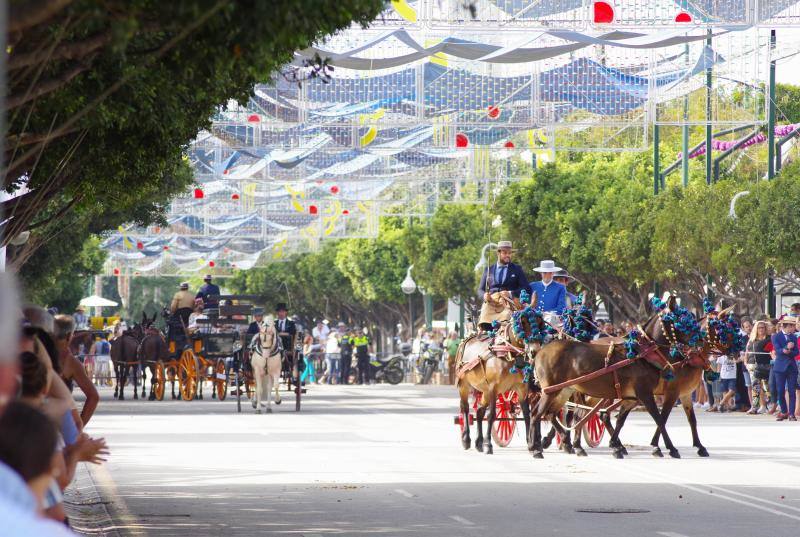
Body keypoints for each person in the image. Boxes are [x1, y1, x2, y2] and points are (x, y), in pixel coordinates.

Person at [53, 315, 99, 427]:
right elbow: (93, 396)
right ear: (69, 336)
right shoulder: (70, 361)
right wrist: (78, 427)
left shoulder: (36, 351)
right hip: (58, 424)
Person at [477, 241, 530, 331]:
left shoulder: (517, 269)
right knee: (484, 317)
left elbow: (526, 288)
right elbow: (480, 290)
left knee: (507, 316)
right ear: (498, 253)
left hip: (509, 303)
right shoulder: (488, 270)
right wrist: (484, 296)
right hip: (491, 303)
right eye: (505, 253)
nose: (508, 255)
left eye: (509, 253)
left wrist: (510, 293)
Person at [770, 316, 799, 421]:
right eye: (792, 326)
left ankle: (792, 414)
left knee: (792, 391)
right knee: (780, 391)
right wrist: (787, 348)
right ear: (788, 326)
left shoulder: (794, 337)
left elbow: (797, 352)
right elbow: (778, 350)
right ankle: (784, 411)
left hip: (792, 367)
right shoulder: (775, 336)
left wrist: (790, 351)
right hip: (780, 367)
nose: (794, 328)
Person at [746, 320, 772, 414]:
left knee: (766, 387)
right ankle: (754, 407)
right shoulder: (752, 339)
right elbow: (747, 352)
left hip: (766, 365)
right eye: (759, 327)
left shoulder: (770, 338)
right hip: (753, 365)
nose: (761, 329)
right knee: (755, 387)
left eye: (762, 327)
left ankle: (770, 406)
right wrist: (746, 362)